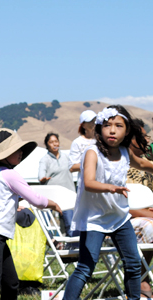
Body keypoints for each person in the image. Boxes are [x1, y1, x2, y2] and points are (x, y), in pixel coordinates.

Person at [64, 105, 153, 299]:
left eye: (118, 126)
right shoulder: (92, 152)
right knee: (86, 268)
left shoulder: (124, 152)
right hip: (94, 219)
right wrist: (111, 188)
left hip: (119, 217)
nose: (112, 130)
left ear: (127, 130)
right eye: (107, 125)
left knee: (133, 262)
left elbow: (144, 164)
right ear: (99, 129)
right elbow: (88, 182)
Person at [0, 128, 62, 300]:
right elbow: (35, 199)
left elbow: (3, 199)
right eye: (16, 150)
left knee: (10, 282)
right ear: (4, 154)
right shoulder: (9, 174)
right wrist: (53, 204)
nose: (20, 153)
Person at [125, 118, 153, 298]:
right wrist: (145, 212)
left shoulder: (147, 162)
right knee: (149, 226)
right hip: (123, 219)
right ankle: (142, 279)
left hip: (148, 214)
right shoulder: (118, 163)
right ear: (131, 139)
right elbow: (118, 205)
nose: (148, 140)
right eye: (143, 136)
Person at [38, 132, 77, 237]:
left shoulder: (67, 157)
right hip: (51, 197)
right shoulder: (44, 160)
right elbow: (40, 175)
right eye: (51, 142)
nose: (54, 144)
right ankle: (52, 243)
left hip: (68, 195)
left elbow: (75, 167)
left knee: (70, 224)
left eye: (56, 141)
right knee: (44, 224)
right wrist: (43, 179)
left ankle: (73, 249)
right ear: (47, 145)